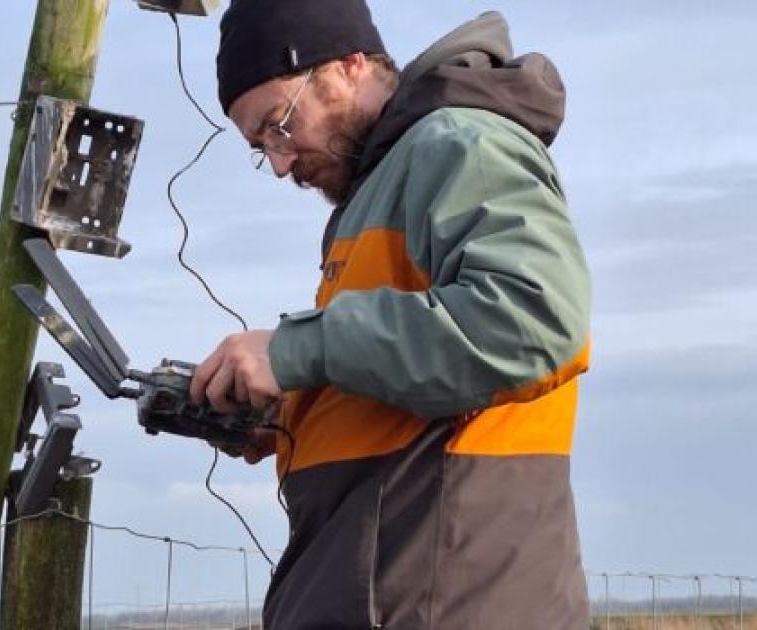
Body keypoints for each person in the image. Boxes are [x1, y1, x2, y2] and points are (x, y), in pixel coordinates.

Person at [189, 2, 592, 628]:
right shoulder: (381, 184)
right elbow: (412, 380)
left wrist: (294, 352)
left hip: (447, 605)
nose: (278, 162)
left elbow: (531, 319)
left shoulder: (459, 142)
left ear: (348, 65)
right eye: (258, 146)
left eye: (278, 124)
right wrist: (285, 411)